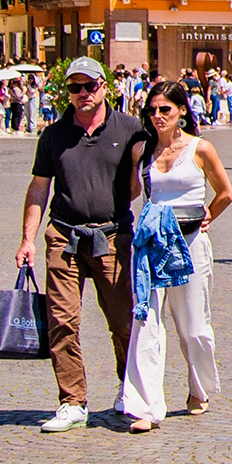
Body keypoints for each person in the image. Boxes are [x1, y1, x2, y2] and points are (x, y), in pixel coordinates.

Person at [18, 57, 152, 433]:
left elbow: (150, 173)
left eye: (89, 86)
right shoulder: (54, 135)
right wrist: (27, 239)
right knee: (62, 321)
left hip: (112, 235)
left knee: (123, 321)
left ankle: (131, 392)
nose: (82, 95)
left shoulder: (128, 129)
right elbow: (39, 187)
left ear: (103, 86)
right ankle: (72, 401)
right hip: (64, 234)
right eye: (75, 88)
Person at [120, 83, 232, 433]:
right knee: (146, 322)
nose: (157, 116)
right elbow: (133, 193)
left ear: (182, 111)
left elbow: (226, 193)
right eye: (152, 110)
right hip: (152, 243)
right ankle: (145, 406)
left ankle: (198, 388)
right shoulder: (142, 150)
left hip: (189, 243)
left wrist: (207, 217)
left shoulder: (201, 149)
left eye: (165, 109)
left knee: (193, 326)